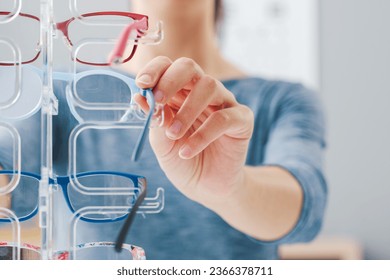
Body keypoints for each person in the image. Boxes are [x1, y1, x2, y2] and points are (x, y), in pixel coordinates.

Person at [0, 0, 327, 259]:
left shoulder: (282, 100)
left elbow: (303, 210)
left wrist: (230, 188)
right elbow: (7, 183)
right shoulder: (58, 93)